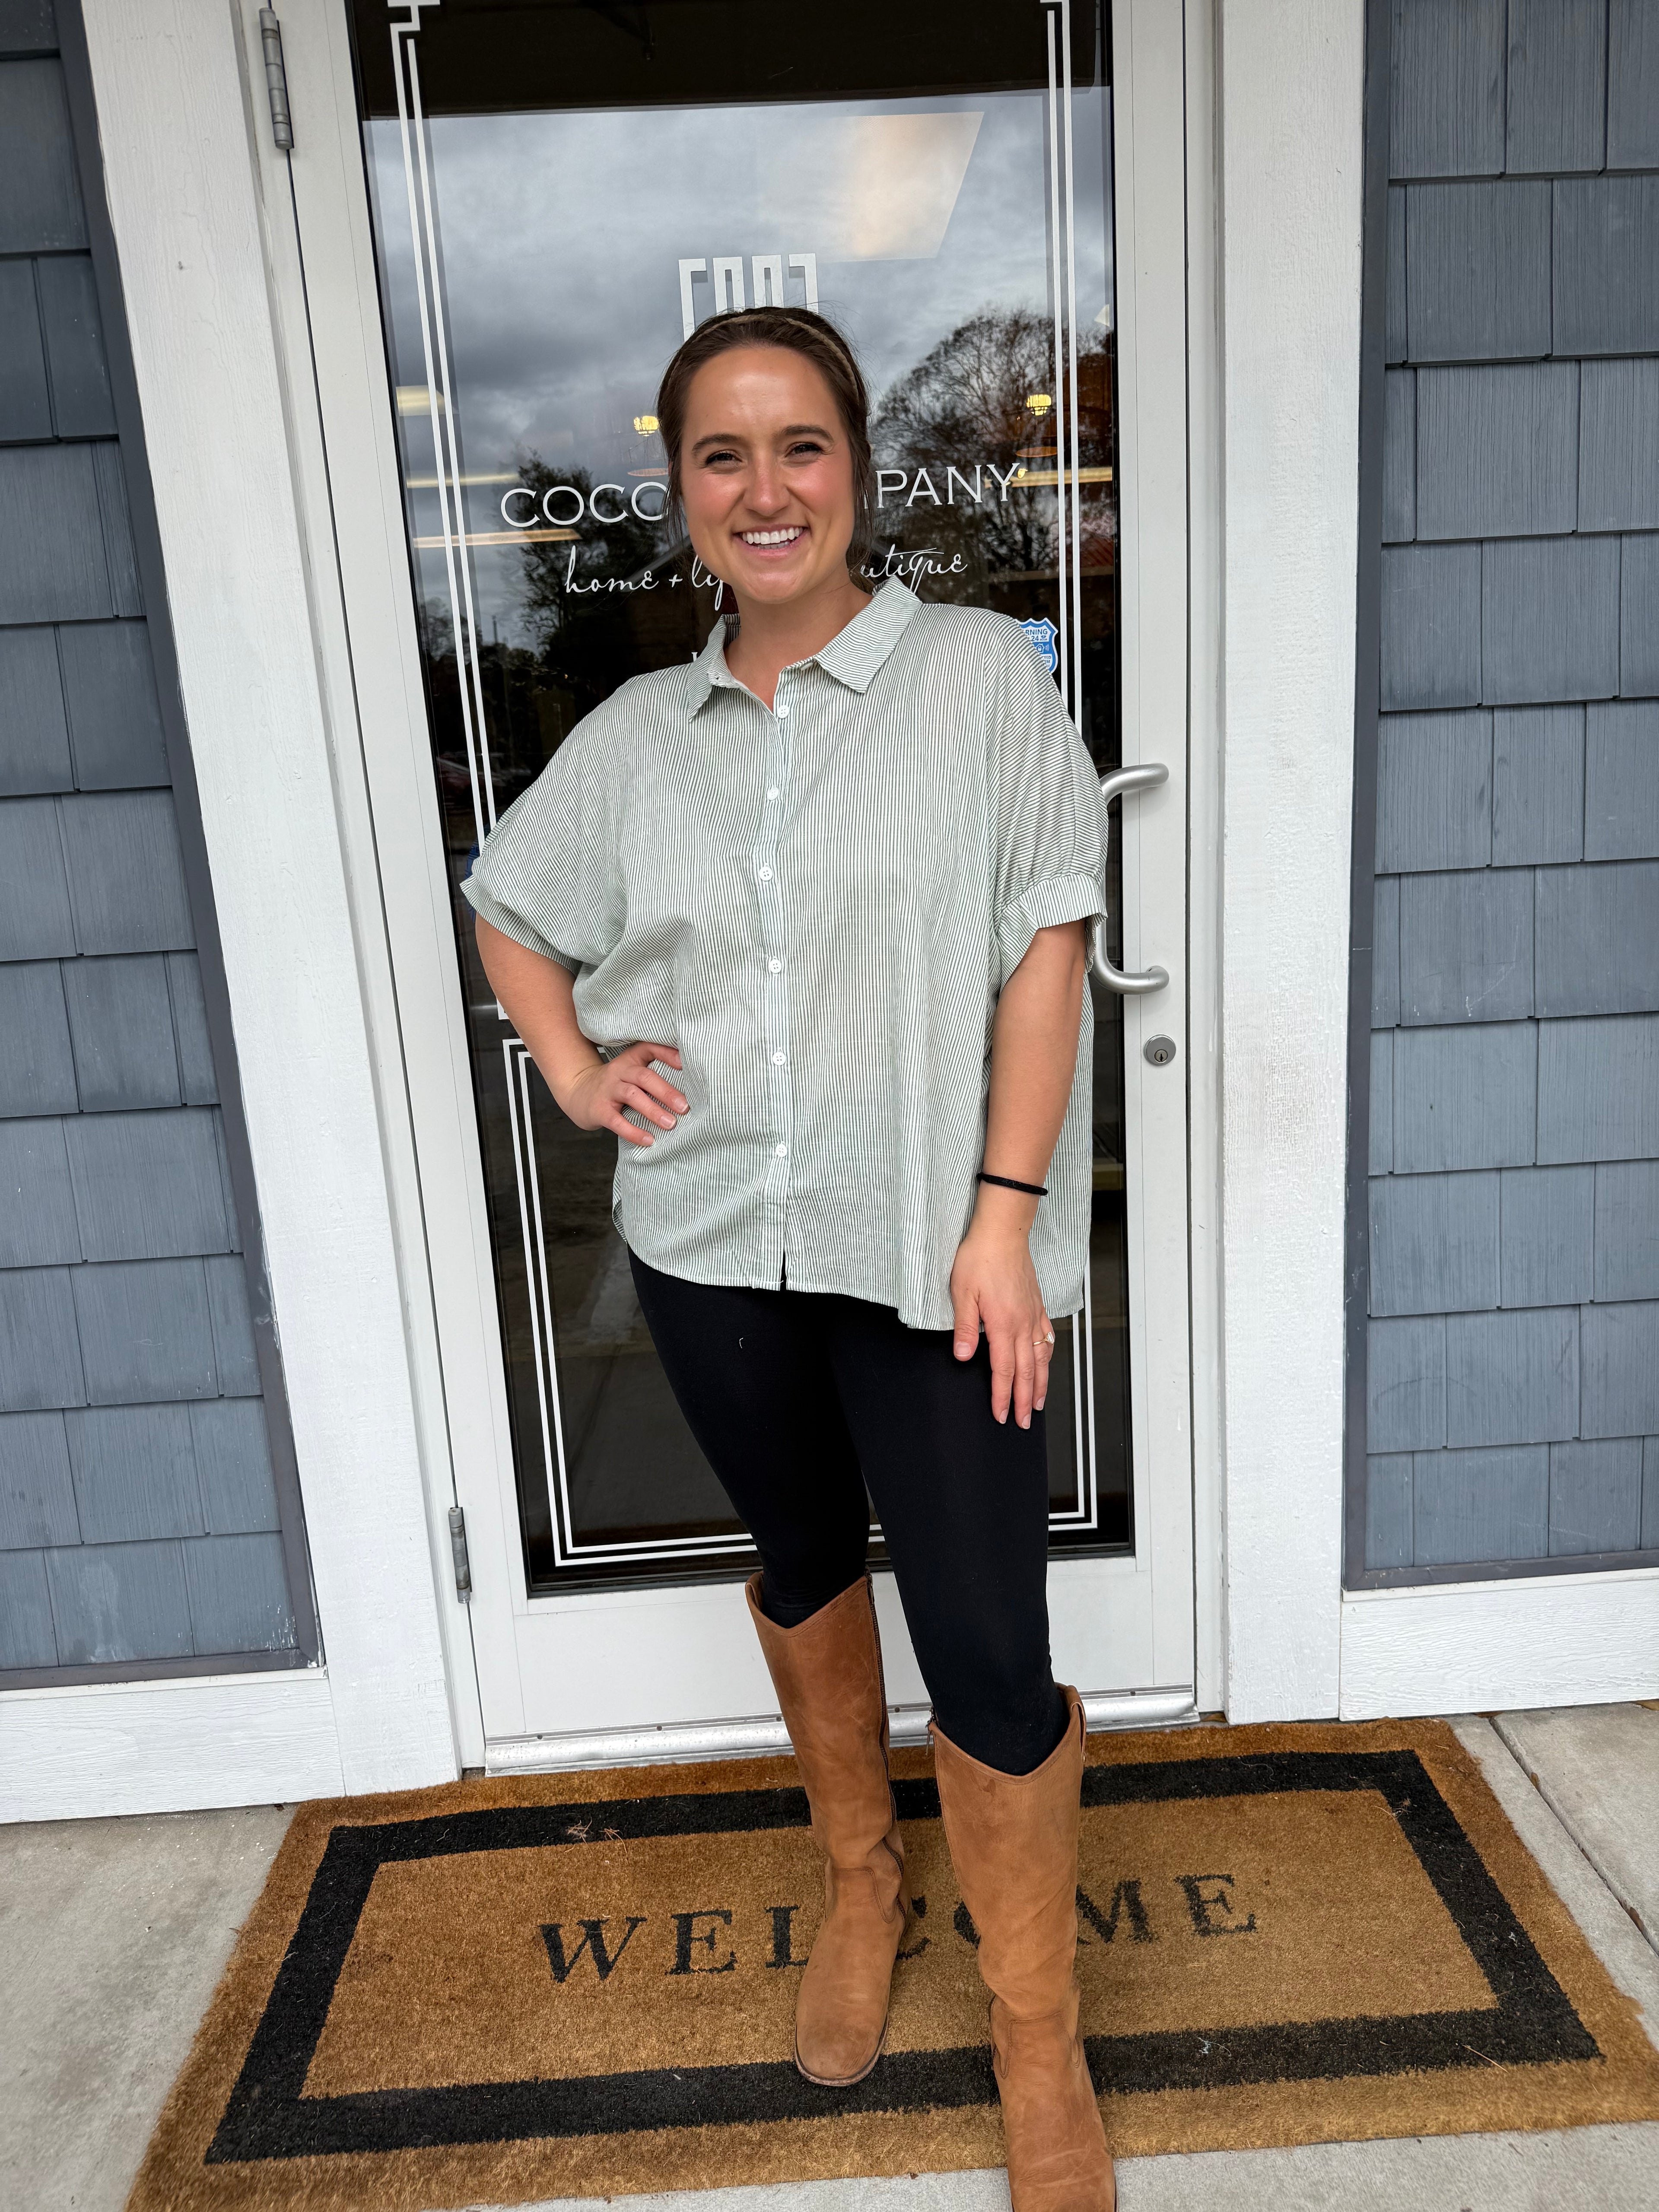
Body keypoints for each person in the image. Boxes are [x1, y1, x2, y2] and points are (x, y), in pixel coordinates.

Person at [467, 305, 1114, 2212]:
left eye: (802, 446)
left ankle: (1036, 2031)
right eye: (724, 455)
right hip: (714, 1236)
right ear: (681, 492)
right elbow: (512, 906)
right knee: (812, 1560)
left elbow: (1045, 950)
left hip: (938, 1246)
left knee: (992, 1643)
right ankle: (860, 1873)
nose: (768, 488)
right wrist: (580, 1065)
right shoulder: (635, 737)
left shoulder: (980, 684)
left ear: (858, 469)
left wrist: (1004, 1214)